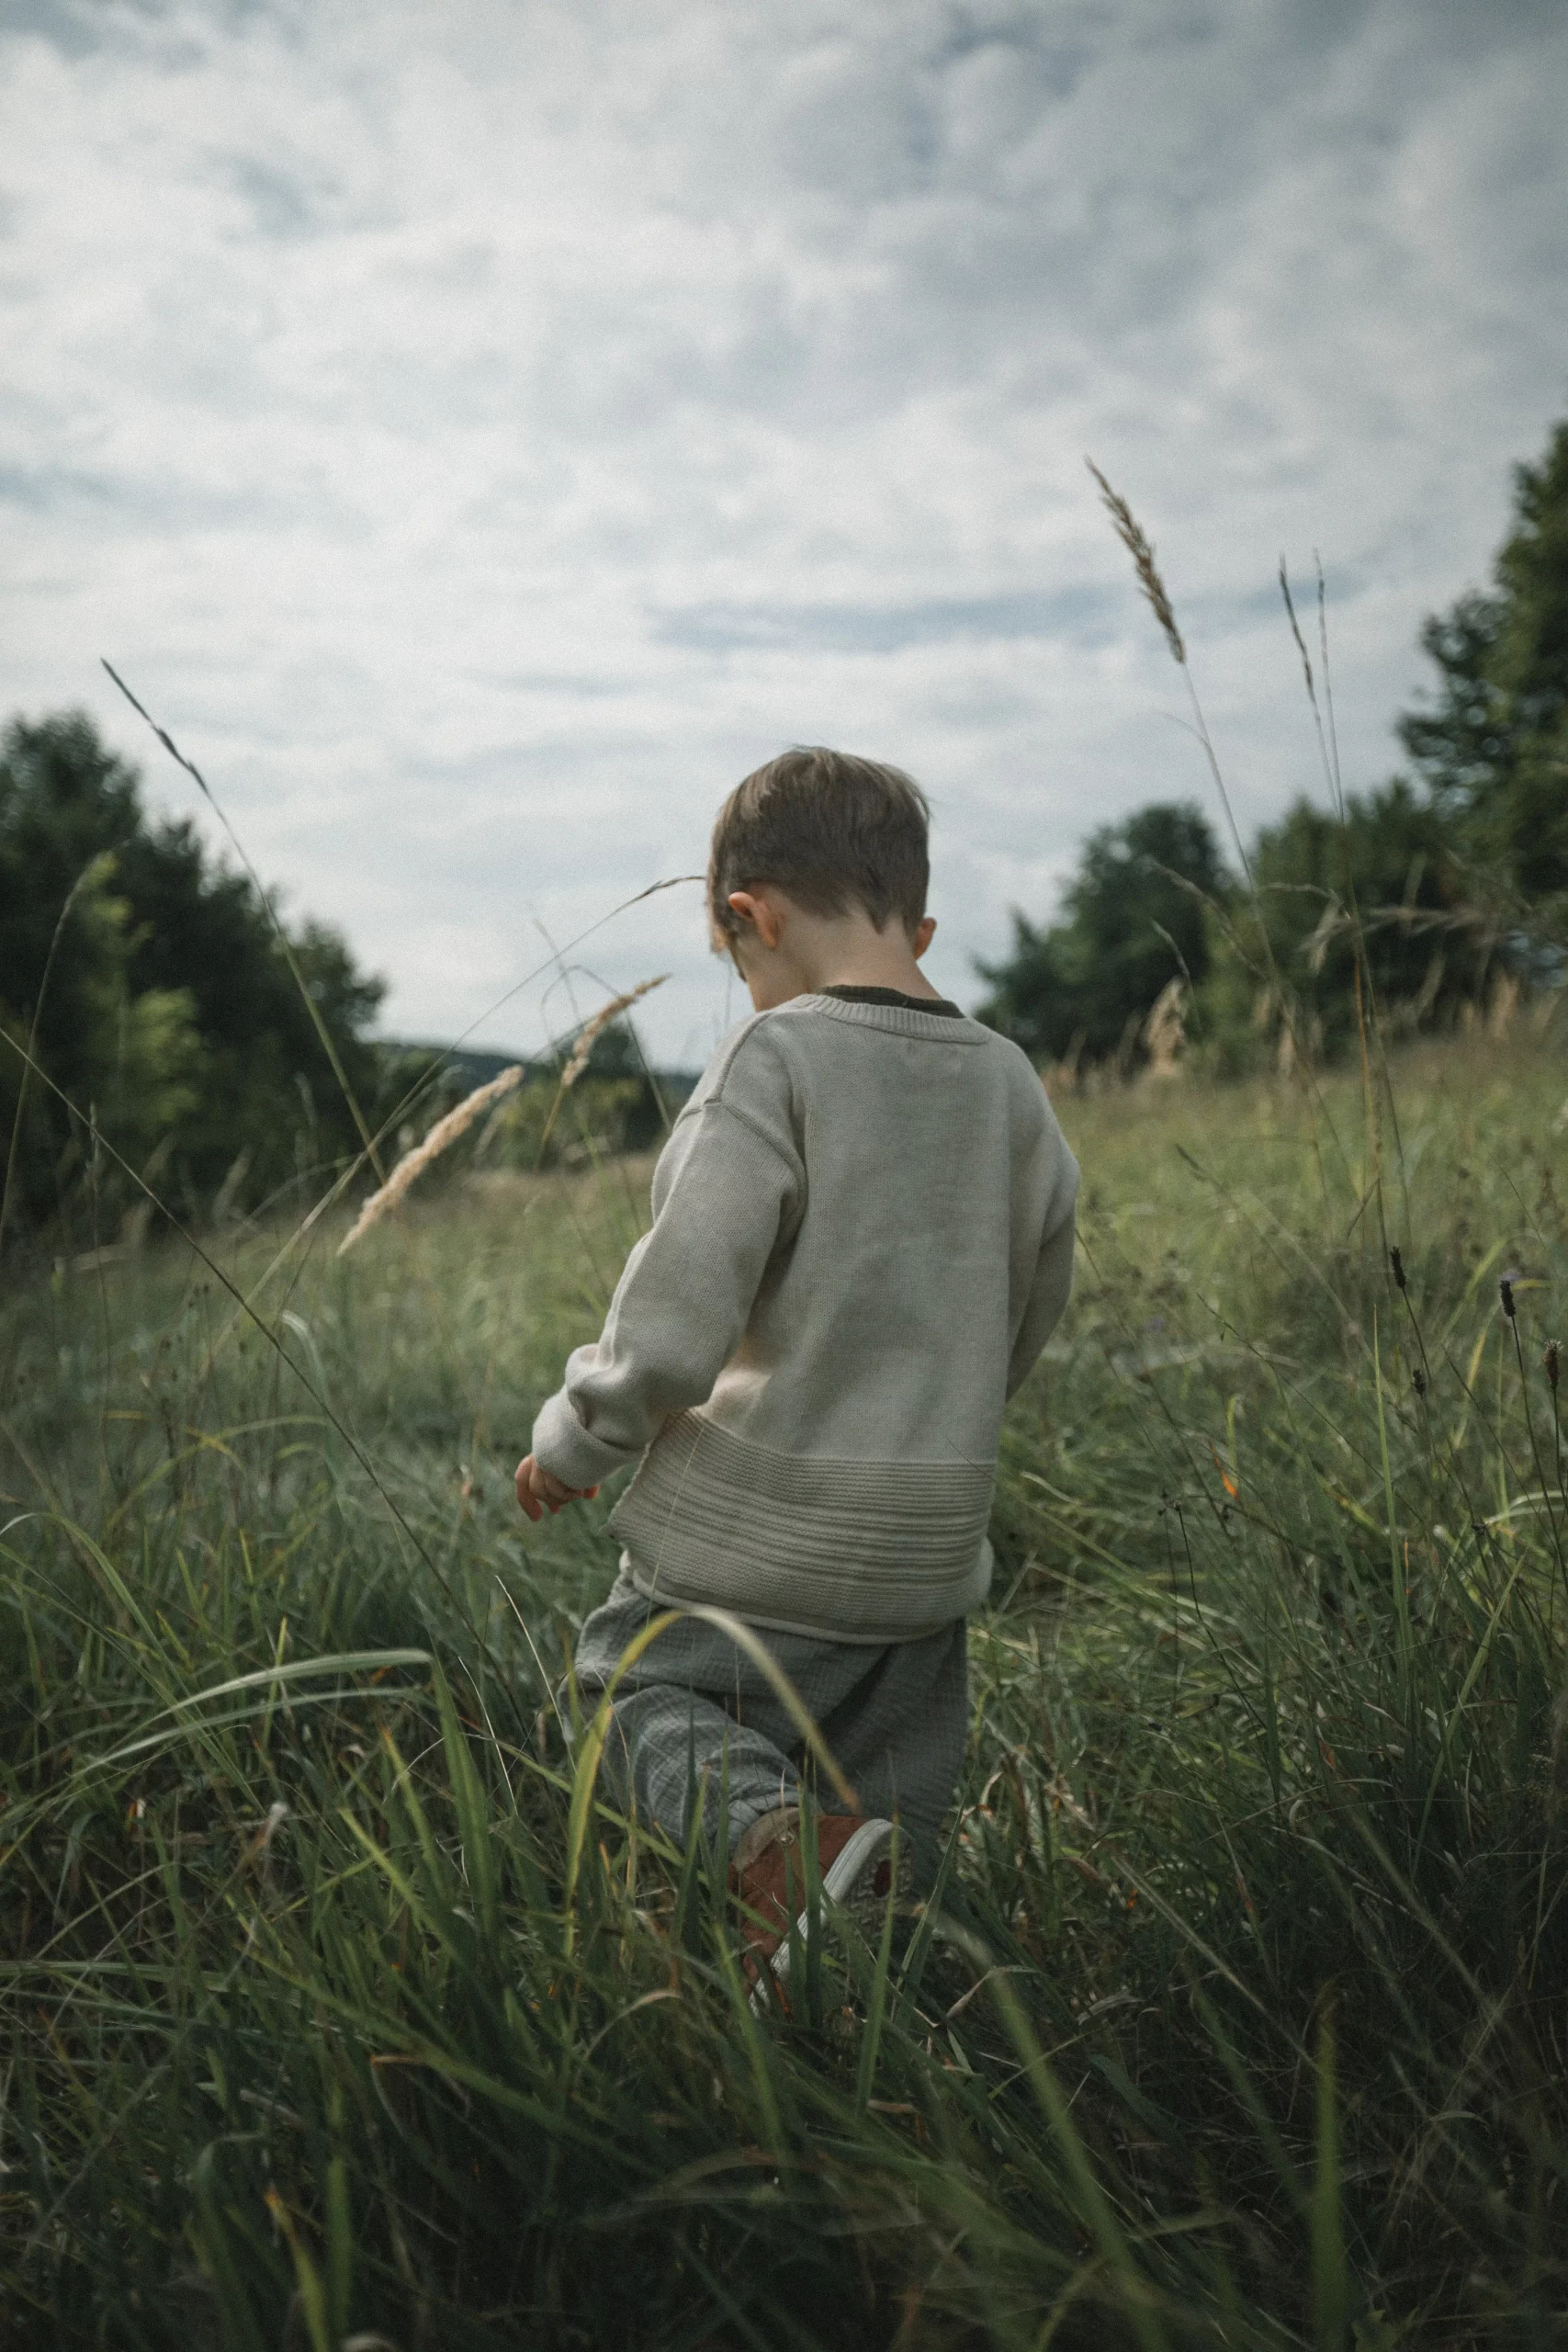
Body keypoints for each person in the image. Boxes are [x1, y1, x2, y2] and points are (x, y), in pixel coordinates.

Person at [515, 747, 1078, 1996]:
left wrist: (579, 1438)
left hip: (754, 1554)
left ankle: (768, 1846)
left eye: (739, 964)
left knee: (620, 1709)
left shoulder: (773, 1062)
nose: (748, 988)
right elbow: (1032, 1295)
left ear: (746, 917)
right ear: (916, 922)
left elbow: (678, 1305)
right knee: (883, 1824)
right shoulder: (1009, 1082)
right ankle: (854, 2010)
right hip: (927, 1552)